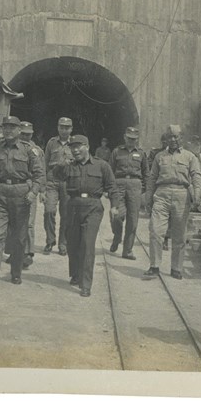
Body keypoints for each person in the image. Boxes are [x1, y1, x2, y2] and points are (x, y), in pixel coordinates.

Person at [0, 116, 45, 288]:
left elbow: (39, 175)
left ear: (19, 130)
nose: (8, 130)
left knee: (19, 237)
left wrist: (33, 192)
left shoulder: (29, 150)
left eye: (12, 127)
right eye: (5, 127)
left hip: (21, 196)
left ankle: (16, 272)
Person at [54, 135, 121, 297]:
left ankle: (85, 284)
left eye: (78, 147)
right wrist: (61, 164)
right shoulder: (69, 166)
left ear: (87, 147)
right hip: (73, 206)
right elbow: (56, 175)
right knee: (73, 243)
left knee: (87, 243)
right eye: (72, 147)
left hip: (93, 207)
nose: (75, 150)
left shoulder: (101, 165)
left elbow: (112, 187)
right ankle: (76, 274)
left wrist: (114, 206)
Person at [143, 125, 201, 280]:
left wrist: (197, 195)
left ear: (181, 138)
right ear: (166, 139)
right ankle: (154, 266)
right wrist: (148, 197)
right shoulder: (159, 157)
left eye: (176, 137)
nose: (173, 139)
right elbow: (152, 178)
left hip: (182, 194)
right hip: (162, 194)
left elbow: (196, 176)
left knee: (179, 234)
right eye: (170, 137)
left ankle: (176, 268)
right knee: (156, 230)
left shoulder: (190, 157)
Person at [3, 121, 45, 269]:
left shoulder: (36, 151)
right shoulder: (10, 148)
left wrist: (41, 191)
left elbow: (41, 172)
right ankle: (13, 252)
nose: (26, 137)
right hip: (14, 189)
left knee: (28, 223)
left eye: (29, 134)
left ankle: (27, 253)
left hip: (30, 188)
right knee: (12, 222)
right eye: (24, 134)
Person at [108, 127, 148, 260]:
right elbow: (109, 170)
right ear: (124, 137)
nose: (131, 141)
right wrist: (109, 188)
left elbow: (146, 172)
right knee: (116, 215)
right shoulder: (116, 151)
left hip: (135, 185)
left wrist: (146, 190)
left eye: (134, 139)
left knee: (133, 220)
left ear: (137, 139)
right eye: (129, 138)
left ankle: (127, 250)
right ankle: (117, 236)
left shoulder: (141, 153)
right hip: (119, 184)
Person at [43, 116, 74, 256]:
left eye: (67, 128)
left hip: (68, 182)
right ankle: (50, 240)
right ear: (58, 128)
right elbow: (45, 163)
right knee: (49, 210)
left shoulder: (75, 143)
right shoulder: (51, 143)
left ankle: (63, 244)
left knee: (66, 215)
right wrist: (42, 185)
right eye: (61, 127)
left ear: (71, 129)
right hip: (52, 181)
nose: (64, 130)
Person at [146, 132, 171, 250]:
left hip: (167, 188)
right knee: (155, 214)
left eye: (167, 141)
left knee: (169, 216)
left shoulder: (175, 154)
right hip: (157, 187)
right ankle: (157, 237)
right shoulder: (155, 153)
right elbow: (149, 168)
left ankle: (165, 239)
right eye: (164, 141)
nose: (166, 143)